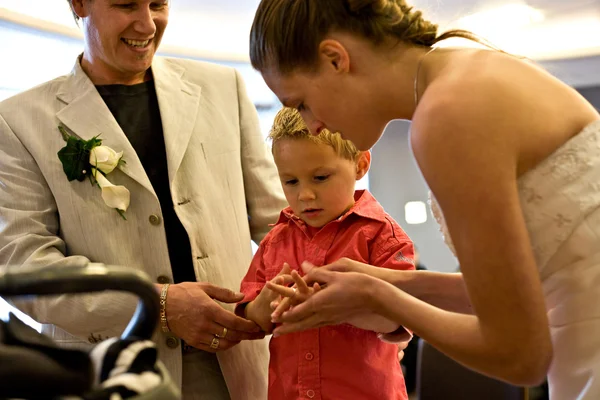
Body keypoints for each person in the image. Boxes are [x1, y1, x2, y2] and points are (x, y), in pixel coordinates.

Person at [247, 0, 600, 399]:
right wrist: (386, 280)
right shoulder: (465, 71)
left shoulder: (449, 114)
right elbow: (527, 287)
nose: (312, 124)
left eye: (301, 103)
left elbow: (521, 356)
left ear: (335, 59)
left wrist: (379, 297)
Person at [0, 0, 287, 399]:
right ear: (79, 4)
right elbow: (26, 271)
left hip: (237, 367)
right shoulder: (17, 121)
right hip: (111, 373)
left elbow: (280, 224)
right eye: (126, 5)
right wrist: (162, 306)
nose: (147, 23)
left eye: (158, 4)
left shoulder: (224, 88)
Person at [235, 107, 414, 399]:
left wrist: (340, 306)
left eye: (320, 177)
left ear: (360, 165)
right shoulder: (274, 242)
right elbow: (253, 320)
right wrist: (267, 302)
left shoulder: (382, 237)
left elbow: (400, 319)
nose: (304, 194)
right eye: (291, 181)